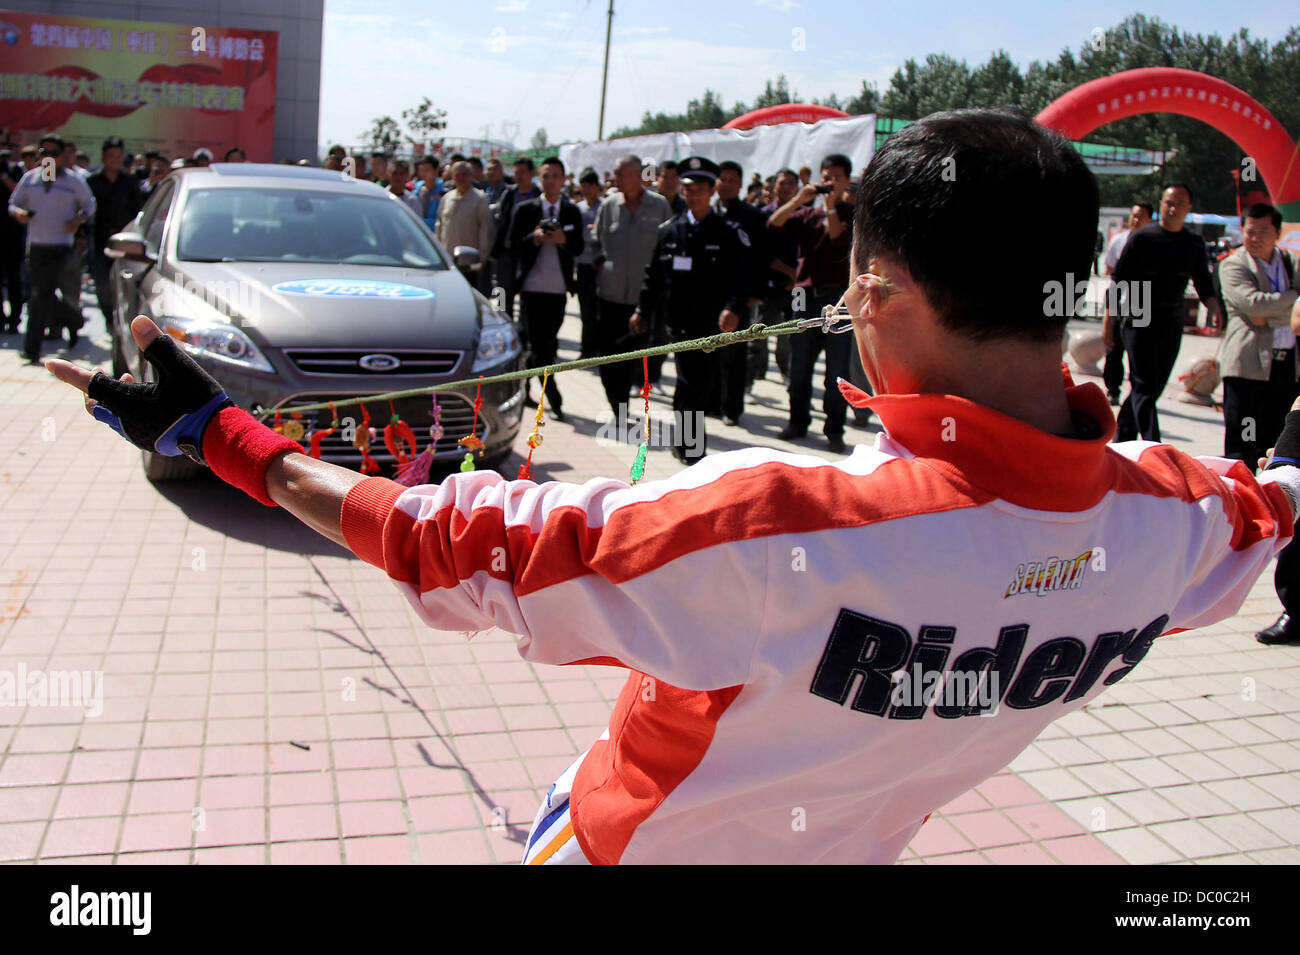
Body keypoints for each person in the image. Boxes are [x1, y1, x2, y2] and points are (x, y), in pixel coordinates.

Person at [52, 108, 1300, 865]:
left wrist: (226, 440)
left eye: (849, 285)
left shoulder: (779, 525)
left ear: (878, 295)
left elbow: (452, 539)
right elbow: (1271, 498)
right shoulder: (1174, 520)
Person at [633, 156, 747, 464]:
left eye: (700, 189)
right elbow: (653, 276)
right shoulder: (670, 231)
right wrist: (641, 311)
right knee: (689, 382)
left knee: (694, 384)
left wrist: (733, 308)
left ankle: (690, 448)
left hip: (711, 324)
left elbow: (741, 277)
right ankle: (689, 447)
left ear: (711, 191)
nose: (693, 194)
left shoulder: (726, 232)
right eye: (688, 189)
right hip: (677, 322)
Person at [1112, 183, 1224, 442]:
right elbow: (1119, 279)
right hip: (1138, 314)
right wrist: (1110, 319)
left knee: (1153, 386)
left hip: (1171, 319)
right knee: (1143, 384)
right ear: (1161, 204)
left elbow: (1202, 281)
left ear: (1189, 208)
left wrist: (1214, 306)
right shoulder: (1141, 237)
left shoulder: (1193, 243)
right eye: (1168, 203)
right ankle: (1154, 443)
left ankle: (1122, 437)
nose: (1172, 208)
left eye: (1179, 204)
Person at [767, 153, 857, 453]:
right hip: (805, 297)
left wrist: (831, 205)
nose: (830, 182)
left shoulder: (851, 213)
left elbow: (836, 238)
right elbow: (774, 223)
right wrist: (800, 199)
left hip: (838, 301)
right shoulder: (807, 214)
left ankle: (834, 429)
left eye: (837, 177)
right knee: (799, 367)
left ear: (846, 180)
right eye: (826, 176)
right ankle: (797, 421)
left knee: (836, 371)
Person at [588, 155, 672, 420]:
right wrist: (602, 265)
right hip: (610, 296)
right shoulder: (609, 206)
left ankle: (624, 404)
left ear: (638, 175)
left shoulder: (659, 206)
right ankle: (617, 403)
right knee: (608, 356)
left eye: (621, 173)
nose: (616, 179)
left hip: (644, 299)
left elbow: (670, 245)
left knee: (636, 356)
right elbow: (595, 242)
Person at [1217, 202, 1300, 467]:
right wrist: (1293, 302)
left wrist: (1270, 314)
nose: (1255, 238)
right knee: (1241, 447)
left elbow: (1262, 312)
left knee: (1276, 444)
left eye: (1263, 231)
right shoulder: (1233, 264)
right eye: (1250, 231)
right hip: (1247, 366)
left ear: (1277, 233)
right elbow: (1253, 305)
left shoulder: (1292, 262)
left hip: (1286, 366)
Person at [7, 134, 95, 362]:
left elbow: (89, 205)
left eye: (54, 153)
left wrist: (78, 220)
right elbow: (14, 204)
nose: (49, 158)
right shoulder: (30, 179)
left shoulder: (73, 181)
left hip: (62, 248)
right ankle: (66, 325)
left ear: (62, 156)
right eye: (44, 153)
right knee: (40, 295)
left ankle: (63, 329)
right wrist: (19, 214)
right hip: (36, 246)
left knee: (47, 295)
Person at [510, 156, 583, 422]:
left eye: (555, 176)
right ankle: (554, 399)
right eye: (545, 176)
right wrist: (534, 238)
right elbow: (512, 244)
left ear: (564, 179)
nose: (550, 181)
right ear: (539, 179)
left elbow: (580, 248)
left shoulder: (572, 211)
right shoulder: (526, 209)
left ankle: (525, 388)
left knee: (545, 346)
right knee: (538, 346)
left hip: (557, 290)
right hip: (531, 288)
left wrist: (563, 239)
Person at [709, 160, 767, 426]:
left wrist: (754, 294)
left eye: (732, 179)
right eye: (722, 178)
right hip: (709, 296)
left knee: (733, 355)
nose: (726, 183)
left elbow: (760, 259)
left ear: (740, 184)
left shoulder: (752, 216)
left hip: (738, 296)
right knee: (708, 351)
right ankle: (711, 403)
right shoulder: (708, 212)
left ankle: (732, 409)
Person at [86, 136, 143, 337]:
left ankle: (122, 321)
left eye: (118, 156)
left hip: (126, 245)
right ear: (103, 157)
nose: (114, 160)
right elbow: (85, 212)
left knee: (124, 285)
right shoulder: (92, 181)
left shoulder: (129, 181)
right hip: (100, 242)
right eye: (111, 156)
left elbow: (139, 213)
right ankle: (109, 319)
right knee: (102, 285)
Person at [1100, 202, 1154, 405]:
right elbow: (1111, 273)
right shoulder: (1119, 241)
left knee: (1139, 352)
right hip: (1120, 302)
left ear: (1150, 219)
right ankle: (1112, 389)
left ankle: (1138, 393)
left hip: (1144, 303)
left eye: (1141, 216)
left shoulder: (1154, 243)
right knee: (1114, 349)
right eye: (1134, 215)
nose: (1136, 220)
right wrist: (1108, 315)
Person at [760, 168, 801, 383]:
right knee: (758, 333)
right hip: (770, 285)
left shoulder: (804, 214)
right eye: (782, 183)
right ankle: (753, 375)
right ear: (775, 186)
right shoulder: (763, 213)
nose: (785, 187)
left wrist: (796, 277)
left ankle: (786, 371)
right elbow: (762, 252)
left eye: (790, 183)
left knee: (793, 333)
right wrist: (789, 272)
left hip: (798, 288)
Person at [487, 158, 540, 319]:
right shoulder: (509, 194)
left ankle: (524, 330)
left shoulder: (538, 196)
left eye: (522, 172)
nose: (519, 176)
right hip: (506, 252)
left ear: (532, 173)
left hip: (528, 254)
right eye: (516, 172)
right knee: (503, 293)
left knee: (527, 294)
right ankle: (503, 322)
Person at [435, 161, 492, 284]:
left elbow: (485, 230)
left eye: (464, 174)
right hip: (448, 260)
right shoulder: (447, 198)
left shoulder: (480, 199)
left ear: (471, 176)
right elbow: (439, 226)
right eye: (457, 174)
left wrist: (482, 258)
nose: (461, 178)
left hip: (469, 262)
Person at [573, 168, 603, 359]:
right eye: (583, 187)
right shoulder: (578, 209)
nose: (586, 190)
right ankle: (586, 350)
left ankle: (599, 348)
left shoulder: (605, 208)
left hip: (600, 267)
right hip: (583, 266)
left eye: (589, 186)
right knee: (586, 310)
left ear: (597, 187)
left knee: (599, 310)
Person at [0, 149, 25, 332]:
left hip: (13, 233)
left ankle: (15, 320)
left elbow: (19, 194)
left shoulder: (15, 170)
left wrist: (3, 176)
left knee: (14, 278)